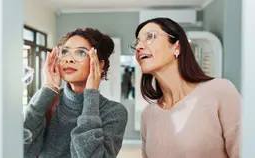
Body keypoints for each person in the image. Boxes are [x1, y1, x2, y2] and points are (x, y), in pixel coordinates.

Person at [129, 17, 240, 158]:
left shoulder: (220, 91)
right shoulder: (148, 115)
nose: (139, 47)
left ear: (176, 47)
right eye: (137, 42)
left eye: (150, 37)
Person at [24, 28, 128, 158]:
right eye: (65, 52)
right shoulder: (46, 100)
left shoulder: (114, 112)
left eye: (81, 53)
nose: (69, 59)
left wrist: (91, 95)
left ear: (100, 64)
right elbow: (22, 149)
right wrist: (49, 88)